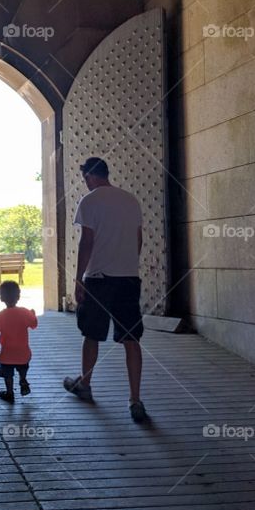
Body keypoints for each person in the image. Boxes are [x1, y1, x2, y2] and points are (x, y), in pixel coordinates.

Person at [64, 157, 149, 424]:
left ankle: (85, 385)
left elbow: (87, 241)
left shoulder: (89, 201)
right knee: (131, 339)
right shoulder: (130, 200)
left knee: (92, 334)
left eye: (84, 178)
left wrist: (78, 279)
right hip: (128, 278)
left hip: (99, 278)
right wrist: (129, 265)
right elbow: (138, 238)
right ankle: (135, 399)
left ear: (89, 176)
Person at [0, 280, 37, 403]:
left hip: (7, 354)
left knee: (7, 372)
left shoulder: (0, 315)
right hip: (23, 353)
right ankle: (23, 379)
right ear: (18, 296)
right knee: (23, 365)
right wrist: (33, 314)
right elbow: (34, 324)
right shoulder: (25, 313)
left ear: (1, 298)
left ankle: (9, 393)